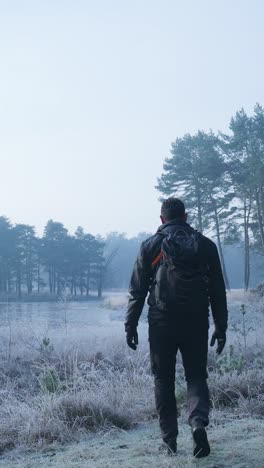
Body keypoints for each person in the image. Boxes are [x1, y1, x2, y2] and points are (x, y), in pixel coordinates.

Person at [125, 198, 228, 458]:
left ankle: (169, 441)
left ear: (162, 219)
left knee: (163, 380)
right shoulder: (205, 245)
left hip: (161, 322)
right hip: (196, 320)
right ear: (185, 216)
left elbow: (137, 290)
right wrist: (221, 326)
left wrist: (131, 324)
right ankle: (197, 424)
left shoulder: (150, 245)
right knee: (195, 376)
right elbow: (217, 291)